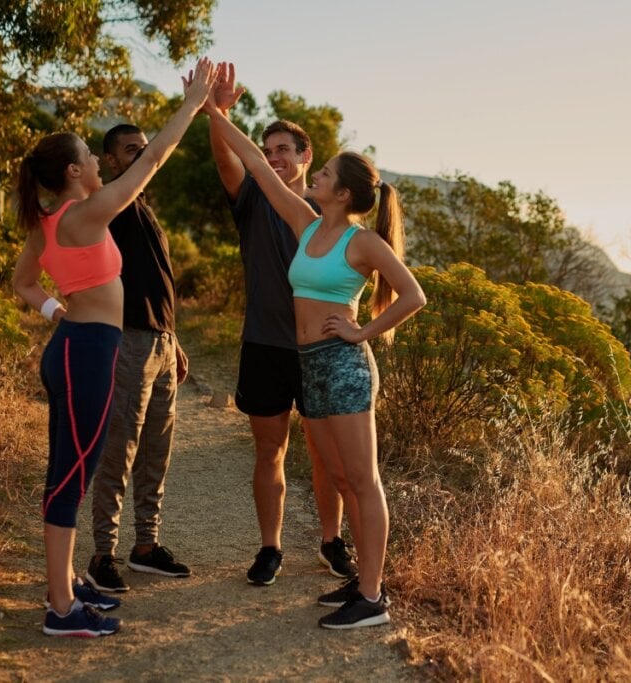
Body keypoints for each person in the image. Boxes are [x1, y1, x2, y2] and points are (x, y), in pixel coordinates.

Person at [207, 61, 426, 629]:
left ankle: (372, 596)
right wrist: (209, 108)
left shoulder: (362, 243)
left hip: (345, 368)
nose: (316, 174)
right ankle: (362, 581)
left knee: (362, 480)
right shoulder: (307, 225)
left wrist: (361, 332)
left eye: (324, 171)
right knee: (339, 475)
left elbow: (412, 296)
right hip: (308, 364)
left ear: (344, 191)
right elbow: (255, 163)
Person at [12, 58, 216, 636]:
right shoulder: (85, 214)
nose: (102, 165)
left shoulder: (48, 222)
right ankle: (60, 609)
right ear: (76, 171)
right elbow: (151, 160)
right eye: (93, 157)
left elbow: (24, 282)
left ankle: (67, 582)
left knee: (65, 472)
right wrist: (194, 104)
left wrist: (59, 311)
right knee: (72, 476)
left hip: (74, 346)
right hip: (88, 351)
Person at [203, 63, 357, 587]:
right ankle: (270, 548)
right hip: (264, 346)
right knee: (270, 451)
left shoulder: (329, 213)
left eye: (283, 150)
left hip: (317, 351)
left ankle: (331, 542)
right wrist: (216, 112)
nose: (273, 158)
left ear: (305, 156)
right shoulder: (251, 197)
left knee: (326, 456)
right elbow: (229, 157)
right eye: (267, 152)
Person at [83, 123, 192, 595]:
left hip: (160, 345)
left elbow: (155, 283)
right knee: (119, 451)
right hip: (127, 344)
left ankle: (145, 547)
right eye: (131, 151)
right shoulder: (114, 204)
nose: (142, 157)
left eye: (144, 150)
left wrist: (173, 339)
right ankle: (101, 555)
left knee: (156, 453)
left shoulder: (145, 209)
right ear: (110, 161)